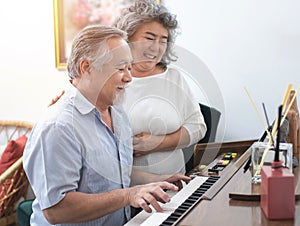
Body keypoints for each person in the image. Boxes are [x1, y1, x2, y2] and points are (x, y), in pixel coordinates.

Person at [23, 24, 190, 226]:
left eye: (129, 67)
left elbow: (114, 172)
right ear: (86, 68)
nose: (129, 78)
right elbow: (57, 210)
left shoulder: (117, 112)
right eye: (120, 68)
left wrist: (156, 180)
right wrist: (129, 195)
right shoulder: (58, 126)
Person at [114, 0, 207, 176]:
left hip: (174, 187)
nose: (156, 48)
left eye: (163, 41)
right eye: (149, 38)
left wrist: (157, 143)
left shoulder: (174, 78)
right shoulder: (110, 79)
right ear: (127, 38)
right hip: (125, 189)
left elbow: (198, 127)